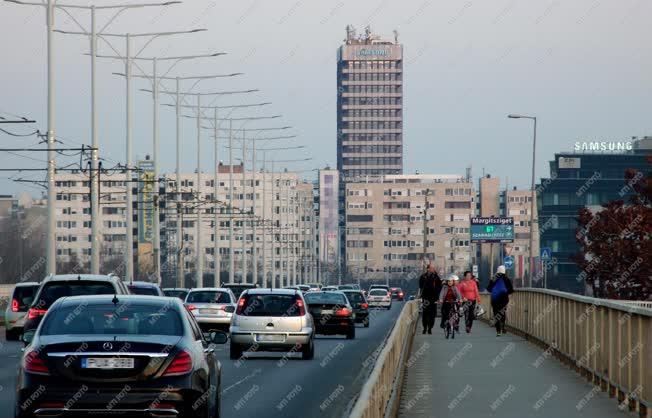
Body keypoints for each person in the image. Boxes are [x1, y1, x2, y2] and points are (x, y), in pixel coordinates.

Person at [487, 265, 514, 336]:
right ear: (504, 271)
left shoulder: (493, 278)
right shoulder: (506, 279)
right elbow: (511, 290)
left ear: (497, 270)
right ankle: (503, 325)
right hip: (504, 299)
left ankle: (498, 331)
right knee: (502, 312)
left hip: (495, 299)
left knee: (496, 314)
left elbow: (489, 289)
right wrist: (505, 292)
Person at [418, 263, 442, 334]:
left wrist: (437, 295)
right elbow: (420, 286)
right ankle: (425, 327)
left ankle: (430, 328)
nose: (433, 269)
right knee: (425, 313)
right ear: (428, 269)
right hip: (425, 298)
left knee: (432, 314)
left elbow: (439, 287)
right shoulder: (423, 276)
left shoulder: (436, 277)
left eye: (433, 268)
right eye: (431, 268)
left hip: (433, 298)